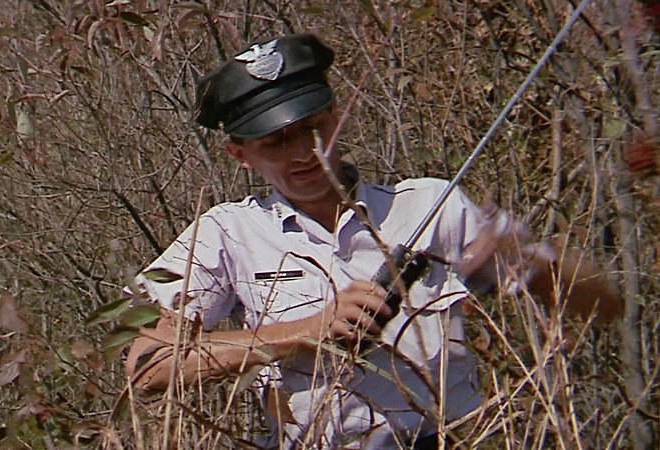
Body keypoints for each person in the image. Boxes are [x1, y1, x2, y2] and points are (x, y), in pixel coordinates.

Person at [123, 33, 621, 449]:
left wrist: (529, 261)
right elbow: (146, 368)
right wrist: (305, 332)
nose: (305, 153)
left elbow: (607, 305)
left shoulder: (431, 205)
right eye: (276, 142)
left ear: (335, 115)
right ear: (240, 155)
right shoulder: (227, 234)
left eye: (313, 128)